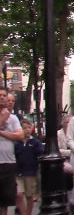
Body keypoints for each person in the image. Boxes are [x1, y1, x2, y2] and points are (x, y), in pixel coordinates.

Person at [0, 87, 24, 215]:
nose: (3, 98)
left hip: (8, 162)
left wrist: (2, 132)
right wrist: (3, 119)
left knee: (5, 200)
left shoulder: (13, 118)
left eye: (4, 95)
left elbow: (20, 136)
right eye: (0, 95)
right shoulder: (6, 117)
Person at [14, 119, 44, 215]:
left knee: (29, 196)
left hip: (31, 173)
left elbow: (41, 152)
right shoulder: (17, 143)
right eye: (24, 128)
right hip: (19, 173)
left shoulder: (35, 142)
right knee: (18, 194)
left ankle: (28, 213)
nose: (27, 130)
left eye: (29, 128)